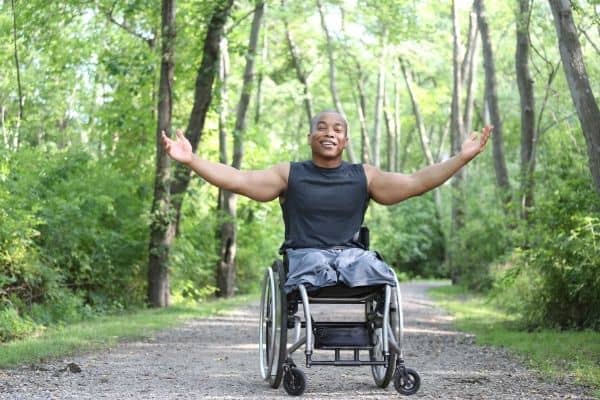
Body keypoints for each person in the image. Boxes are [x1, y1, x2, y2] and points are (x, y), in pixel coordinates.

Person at [161, 110, 492, 293]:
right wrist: (192, 161)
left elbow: (417, 182)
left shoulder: (365, 176)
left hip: (351, 257)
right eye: (321, 127)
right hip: (305, 257)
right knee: (316, 268)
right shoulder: (288, 174)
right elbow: (239, 179)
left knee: (377, 272)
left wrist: (460, 159)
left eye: (337, 129)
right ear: (310, 138)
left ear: (345, 141)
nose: (329, 132)